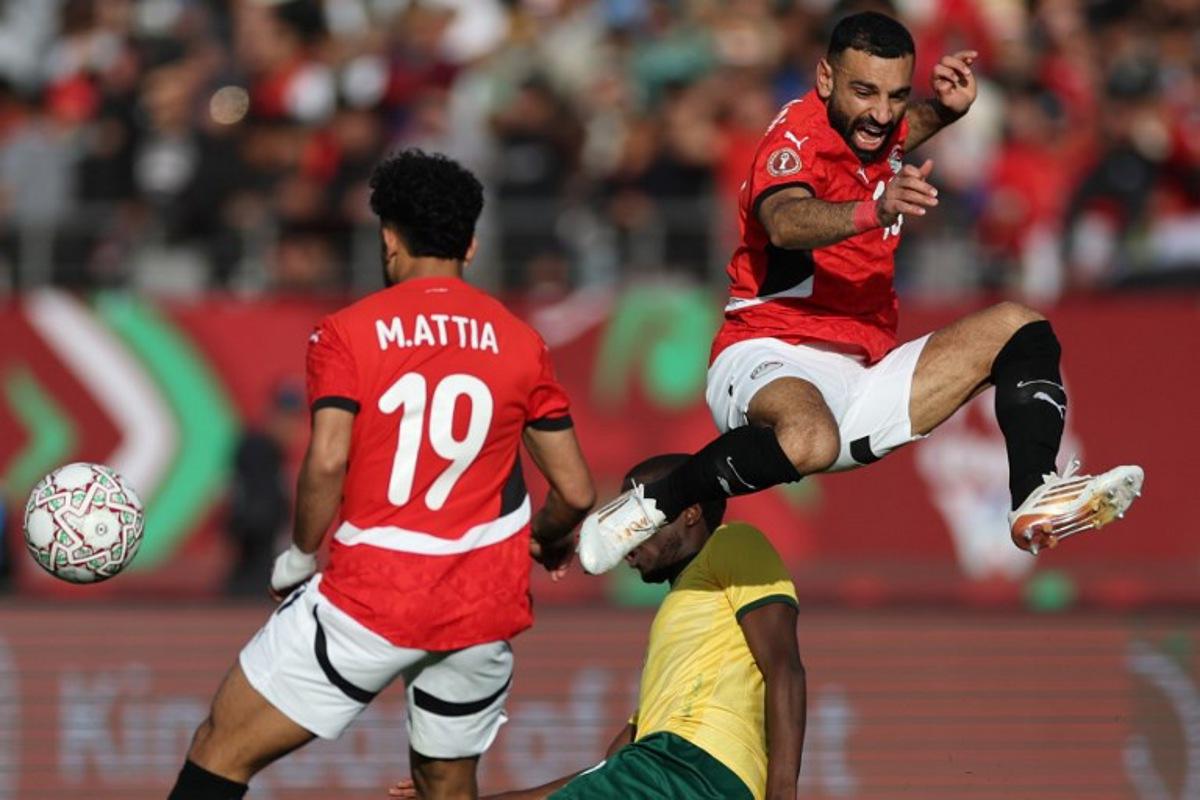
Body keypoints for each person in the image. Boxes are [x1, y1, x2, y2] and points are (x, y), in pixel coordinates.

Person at [578, 11, 1143, 574]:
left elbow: (890, 134)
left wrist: (942, 109)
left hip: (864, 373)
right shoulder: (795, 139)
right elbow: (784, 221)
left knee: (1019, 327)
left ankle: (1034, 495)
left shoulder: (869, 123)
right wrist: (876, 208)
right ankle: (655, 502)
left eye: (896, 95)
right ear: (825, 78)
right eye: (865, 91)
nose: (882, 112)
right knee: (810, 438)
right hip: (769, 350)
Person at [168, 149, 596, 800]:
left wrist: (300, 554)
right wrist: (549, 536)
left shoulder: (348, 332)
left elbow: (328, 458)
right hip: (480, 607)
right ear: (471, 246)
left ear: (389, 239)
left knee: (220, 750)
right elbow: (577, 491)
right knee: (444, 788)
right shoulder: (521, 342)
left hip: (373, 597)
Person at [391, 453, 805, 800]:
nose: (621, 540)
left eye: (634, 517)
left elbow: (784, 667)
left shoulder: (733, 543)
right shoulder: (680, 650)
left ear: (690, 512)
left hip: (688, 768)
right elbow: (602, 774)